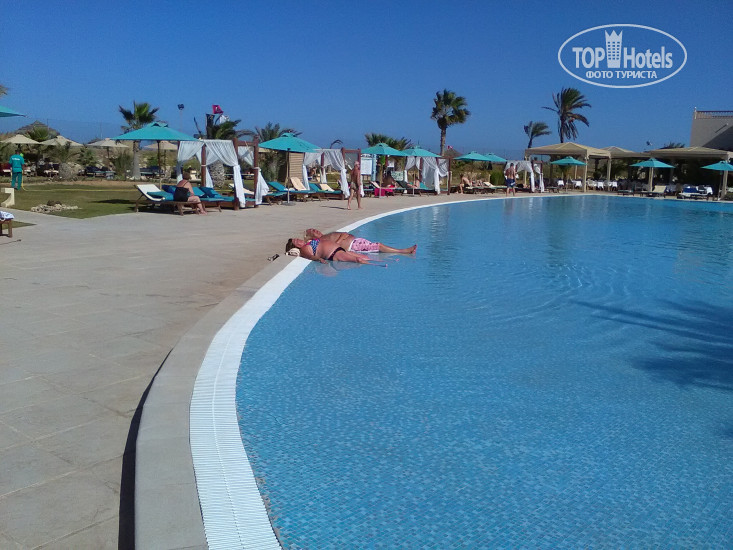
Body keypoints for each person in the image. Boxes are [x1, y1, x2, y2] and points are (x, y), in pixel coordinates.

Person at [305, 228, 417, 254]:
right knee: (378, 246)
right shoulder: (321, 241)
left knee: (377, 246)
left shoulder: (325, 236)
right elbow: (333, 246)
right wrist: (342, 237)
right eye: (313, 231)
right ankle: (403, 251)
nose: (316, 230)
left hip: (356, 242)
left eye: (315, 229)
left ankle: (402, 251)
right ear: (312, 237)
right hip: (353, 246)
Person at [286, 237, 383, 265]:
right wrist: (319, 259)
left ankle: (381, 262)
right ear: (296, 246)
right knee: (358, 260)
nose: (298, 240)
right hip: (333, 254)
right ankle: (376, 265)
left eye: (297, 239)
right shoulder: (304, 249)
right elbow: (310, 256)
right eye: (296, 241)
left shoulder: (309, 242)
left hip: (339, 249)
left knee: (364, 257)